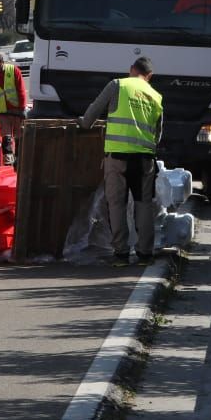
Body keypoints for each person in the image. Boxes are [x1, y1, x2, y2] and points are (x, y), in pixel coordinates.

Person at [78, 57, 164, 265]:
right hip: (144, 159)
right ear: (149, 76)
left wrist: (83, 123)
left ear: (131, 70)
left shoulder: (117, 85)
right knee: (143, 205)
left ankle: (121, 254)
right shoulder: (156, 96)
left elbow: (93, 112)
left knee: (117, 204)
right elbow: (158, 135)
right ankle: (145, 254)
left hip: (117, 158)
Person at [0, 53, 28, 165]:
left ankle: (19, 158)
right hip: (2, 111)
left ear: (3, 62)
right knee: (6, 136)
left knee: (19, 135)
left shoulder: (13, 70)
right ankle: (8, 161)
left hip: (17, 109)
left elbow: (21, 90)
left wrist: (22, 108)